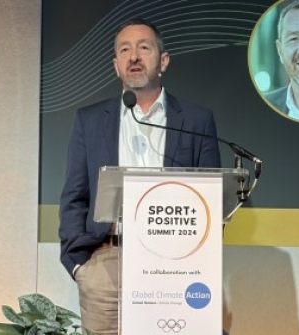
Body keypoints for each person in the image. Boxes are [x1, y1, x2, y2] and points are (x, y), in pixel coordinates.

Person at [59, 19, 222, 335]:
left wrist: (199, 262)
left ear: (163, 61)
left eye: (144, 48)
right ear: (116, 64)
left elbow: (211, 202)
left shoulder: (196, 119)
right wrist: (79, 264)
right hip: (106, 260)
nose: (133, 56)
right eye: (124, 50)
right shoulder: (89, 120)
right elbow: (74, 195)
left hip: (176, 264)